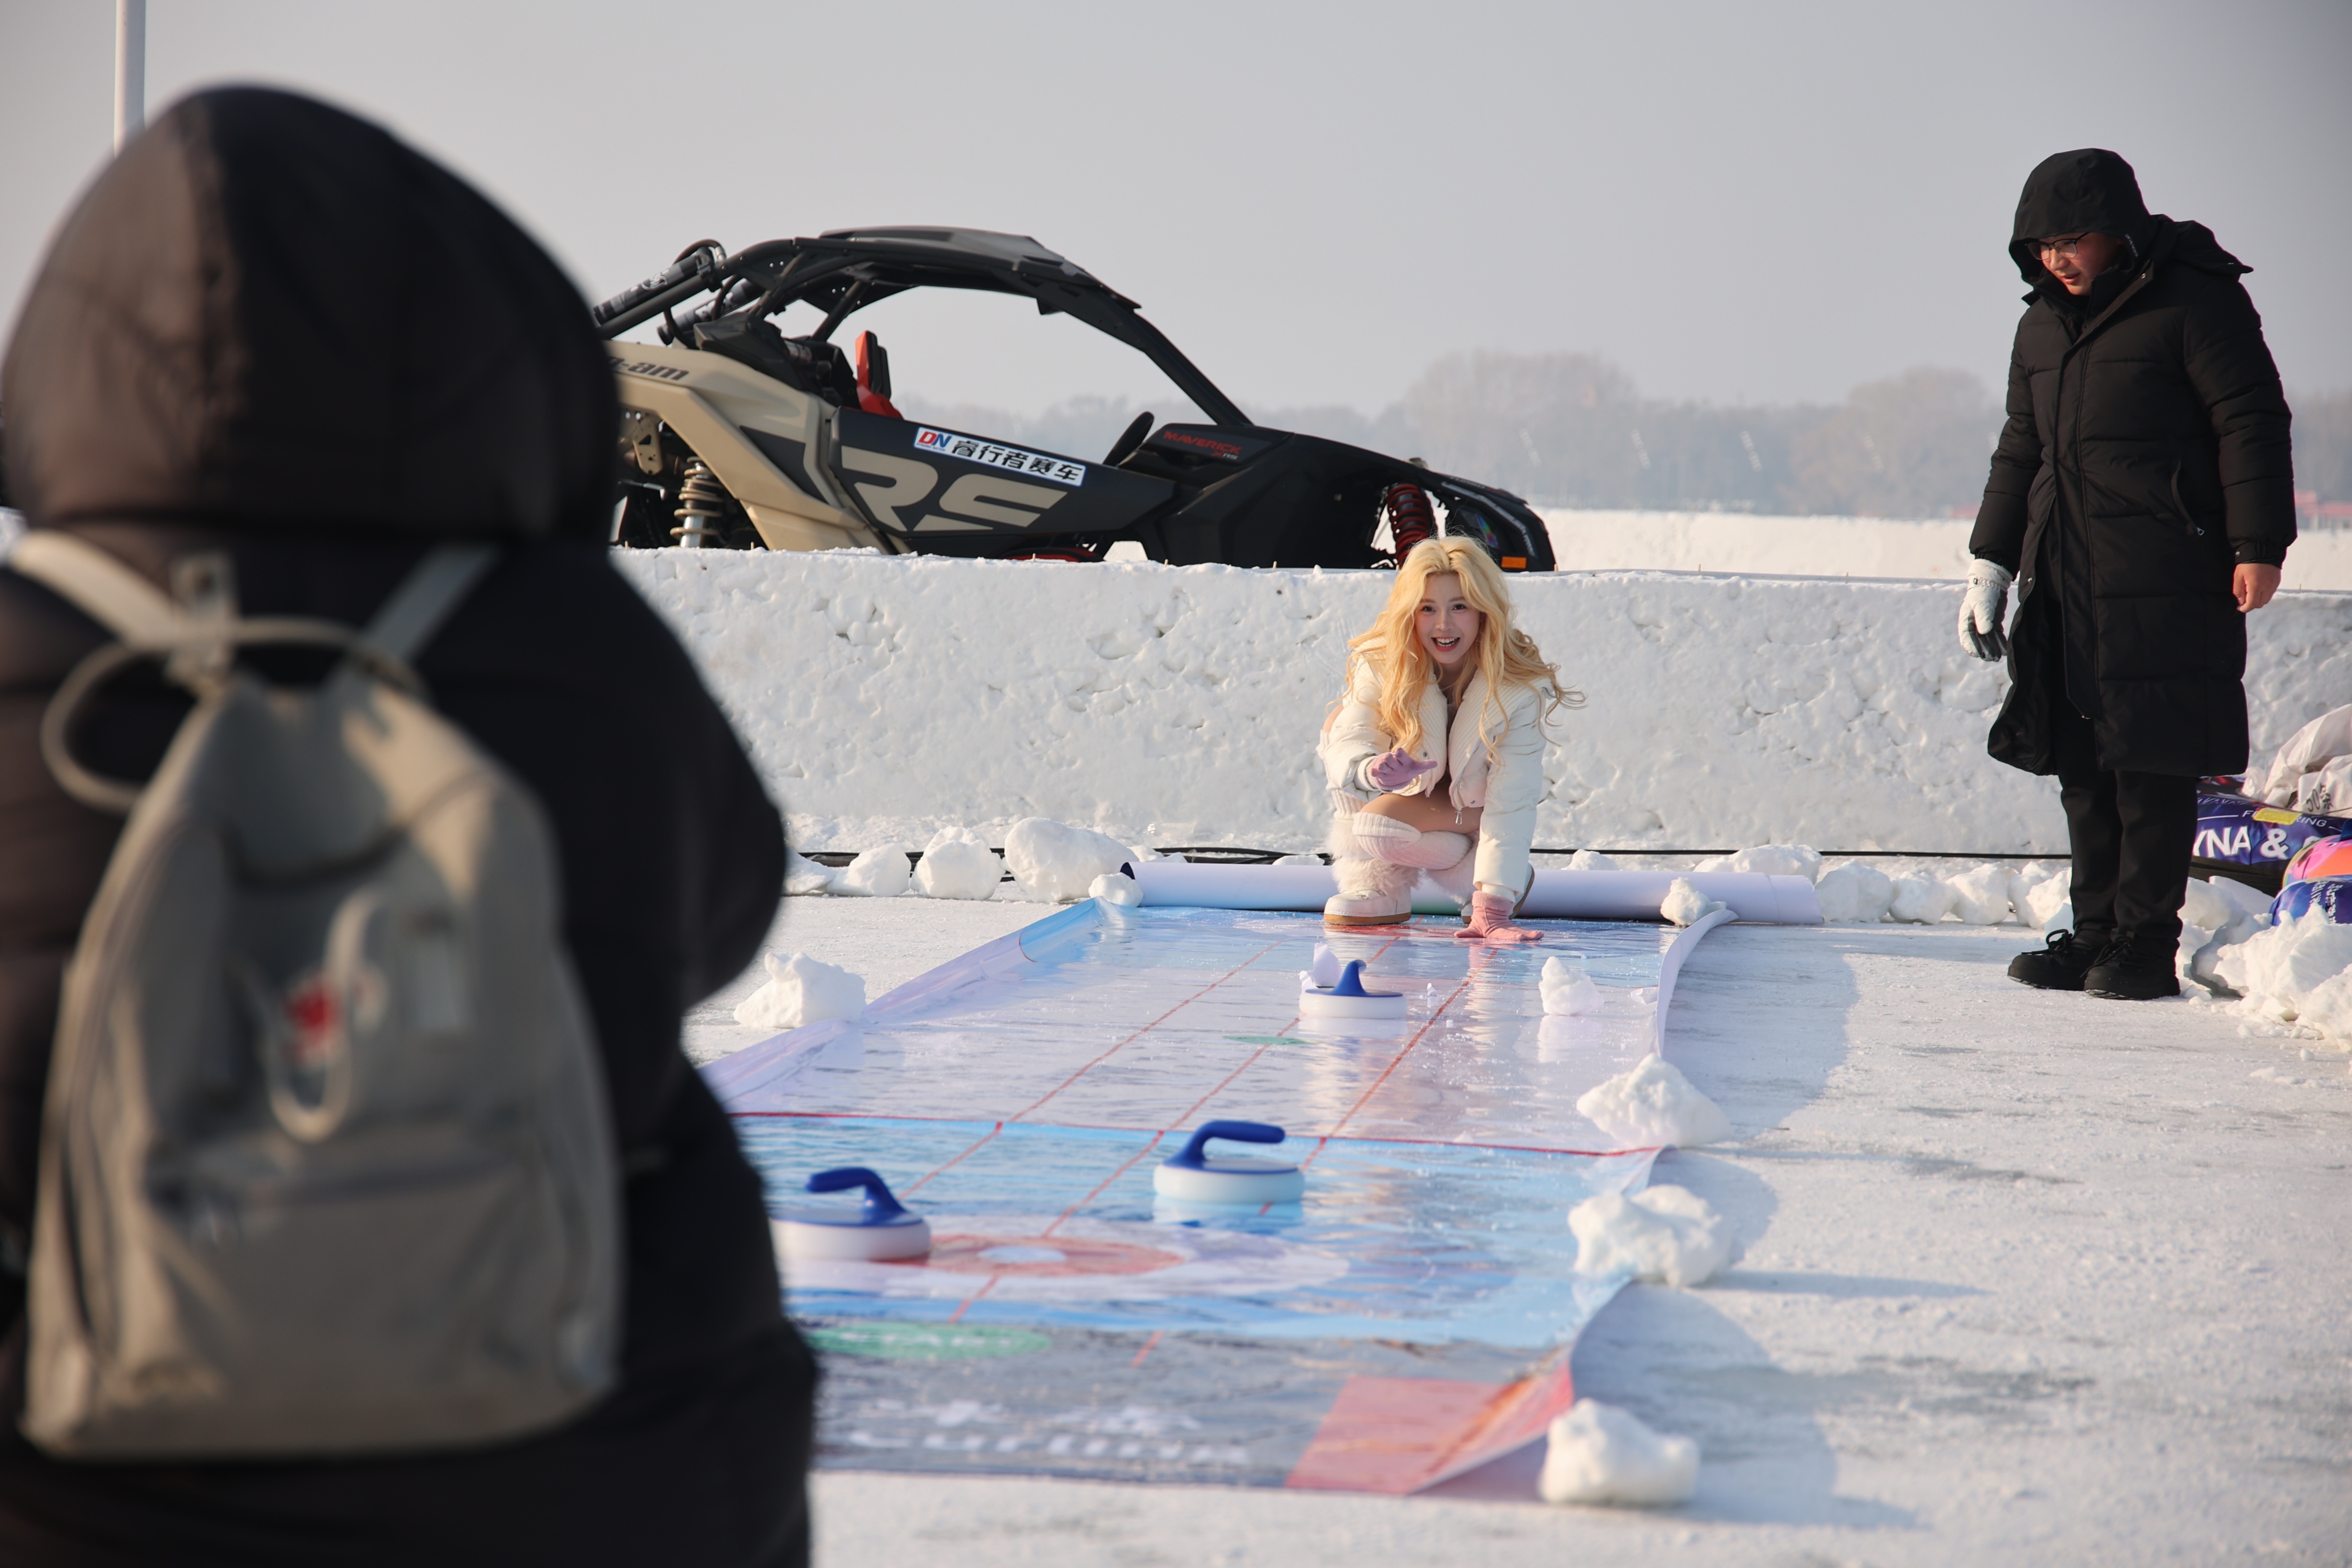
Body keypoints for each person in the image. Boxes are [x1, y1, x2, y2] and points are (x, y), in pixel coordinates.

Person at [0, 90, 811, 1564]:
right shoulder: (584, 651)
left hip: (87, 1464)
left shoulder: (24, 647)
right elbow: (725, 922)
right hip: (588, 1445)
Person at [1961, 148, 2295, 1001]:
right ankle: (2097, 932)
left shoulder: (2195, 299)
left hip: (2169, 573)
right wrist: (1992, 560)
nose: (2056, 259)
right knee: (2084, 764)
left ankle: (2146, 944)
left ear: (2119, 229)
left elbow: (2249, 420)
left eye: (2071, 240)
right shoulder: (2041, 325)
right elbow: (2020, 449)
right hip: (2065, 576)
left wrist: (2258, 544)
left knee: (2153, 763)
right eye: (2041, 246)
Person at [1320, 537, 1575, 939]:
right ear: (1409, 612)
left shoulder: (1517, 687)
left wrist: (1493, 905)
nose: (1443, 625)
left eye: (1459, 606)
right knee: (1337, 722)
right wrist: (1372, 770)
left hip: (1474, 808)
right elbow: (1354, 732)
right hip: (1411, 796)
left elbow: (1513, 798)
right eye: (1427, 609)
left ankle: (1482, 880)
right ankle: (1378, 886)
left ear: (1483, 611)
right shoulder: (1384, 661)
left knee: (1378, 830)